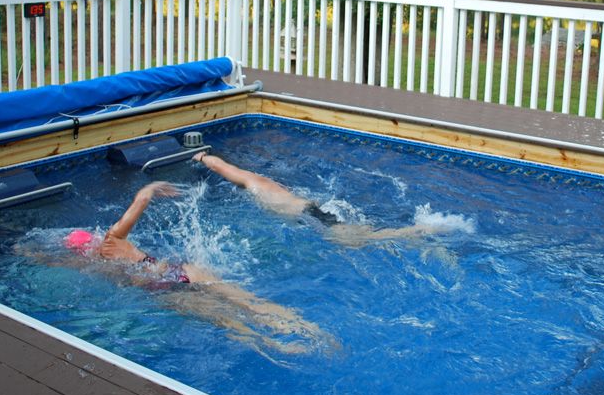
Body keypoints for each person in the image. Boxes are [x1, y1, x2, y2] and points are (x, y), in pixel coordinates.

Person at [53, 181, 334, 355]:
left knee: (226, 320)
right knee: (247, 300)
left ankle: (278, 346)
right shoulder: (113, 239)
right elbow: (139, 202)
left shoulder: (99, 263)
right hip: (184, 270)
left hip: (161, 287)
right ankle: (309, 327)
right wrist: (149, 188)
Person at [192, 151, 468, 245]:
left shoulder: (250, 182)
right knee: (363, 237)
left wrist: (203, 157)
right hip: (311, 212)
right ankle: (418, 232)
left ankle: (424, 229)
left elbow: (221, 166)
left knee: (367, 240)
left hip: (309, 217)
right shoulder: (267, 184)